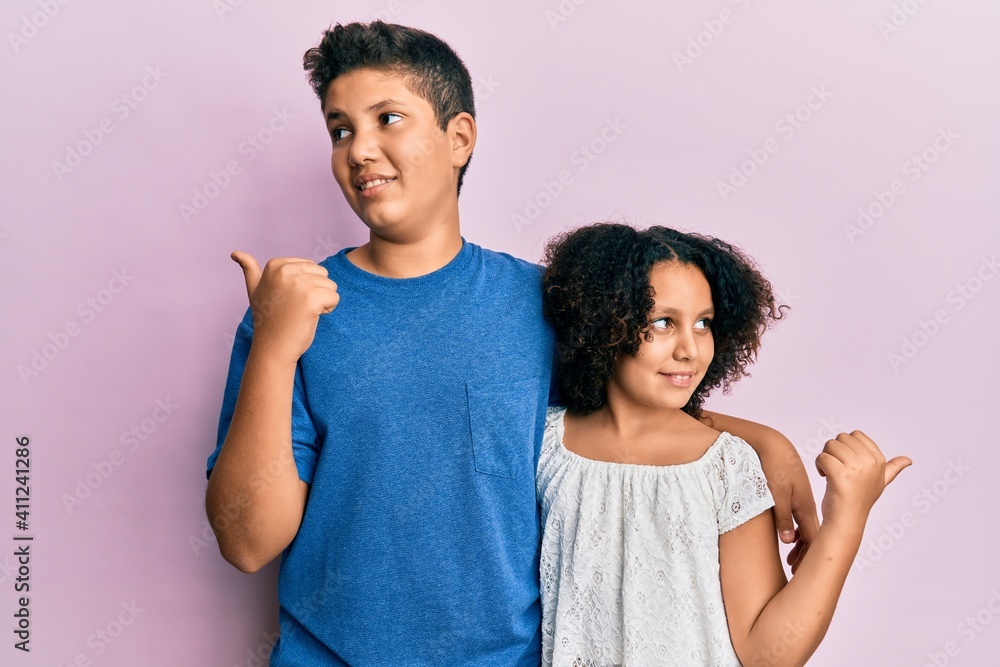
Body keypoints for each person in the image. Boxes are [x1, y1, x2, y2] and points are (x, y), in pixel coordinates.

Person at [204, 21, 820, 665]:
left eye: (388, 118)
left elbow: (625, 416)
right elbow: (248, 543)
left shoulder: (543, 304)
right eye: (340, 129)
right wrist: (275, 345)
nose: (359, 149)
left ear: (459, 138)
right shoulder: (290, 311)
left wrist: (760, 441)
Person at [537, 222, 911, 666]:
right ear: (604, 325)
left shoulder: (726, 465)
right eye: (662, 322)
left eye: (703, 323)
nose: (689, 350)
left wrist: (846, 521)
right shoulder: (542, 443)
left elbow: (766, 654)